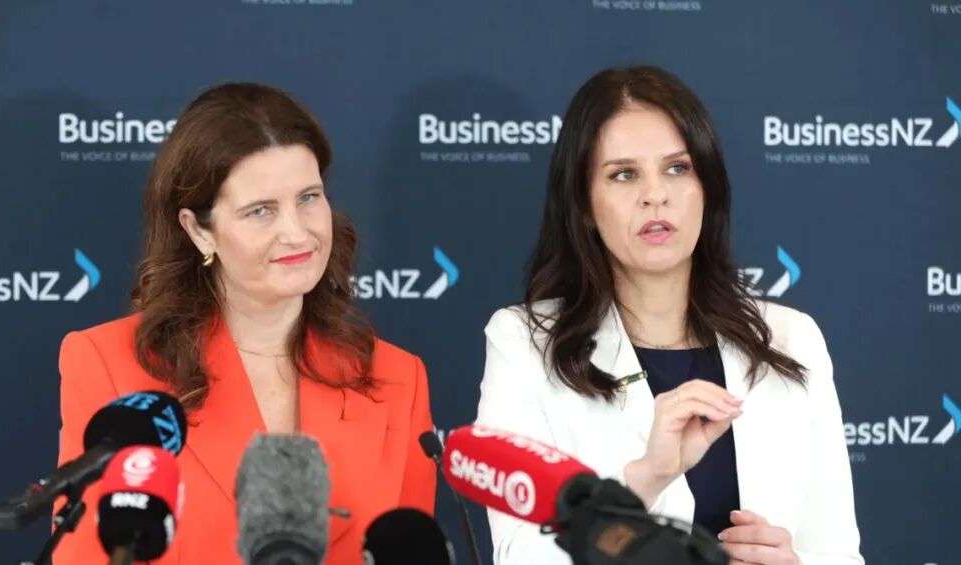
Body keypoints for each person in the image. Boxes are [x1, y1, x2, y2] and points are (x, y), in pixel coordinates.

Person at [475, 66, 862, 565]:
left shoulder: (791, 339)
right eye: (624, 174)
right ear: (585, 205)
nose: (655, 194)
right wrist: (646, 479)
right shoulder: (526, 343)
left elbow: (837, 552)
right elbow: (516, 556)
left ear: (708, 187)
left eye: (677, 168)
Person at [53, 83, 435, 564]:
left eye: (308, 198)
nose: (297, 232)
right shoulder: (109, 365)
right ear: (198, 230)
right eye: (261, 211)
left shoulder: (398, 378)